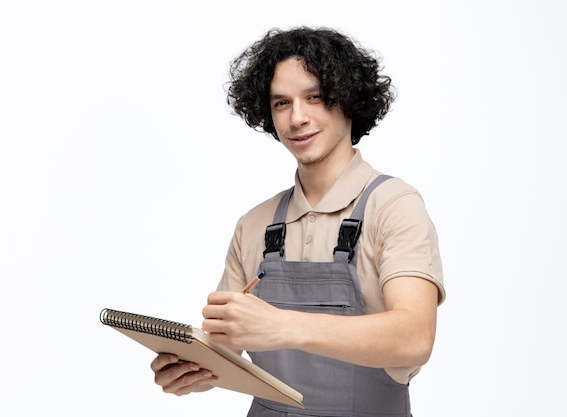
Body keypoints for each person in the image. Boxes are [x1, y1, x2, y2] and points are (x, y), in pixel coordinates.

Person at [150, 26, 446, 416]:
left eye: (315, 98)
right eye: (281, 104)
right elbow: (226, 349)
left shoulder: (393, 205)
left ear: (349, 100)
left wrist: (284, 326)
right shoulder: (254, 225)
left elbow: (414, 337)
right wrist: (192, 370)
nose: (298, 118)